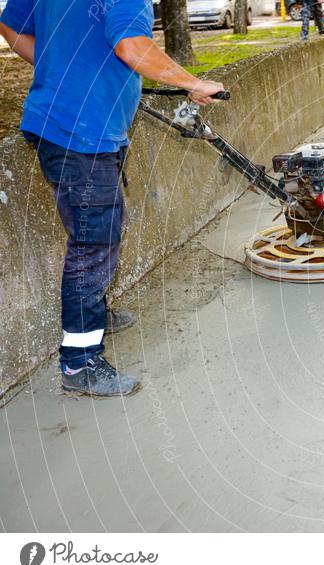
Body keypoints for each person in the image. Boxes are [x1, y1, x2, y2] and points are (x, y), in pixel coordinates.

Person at [0, 0, 224, 398]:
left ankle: (93, 314)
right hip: (80, 136)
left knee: (99, 232)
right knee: (94, 243)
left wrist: (64, 69)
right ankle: (80, 361)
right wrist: (193, 82)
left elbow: (12, 29)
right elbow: (133, 48)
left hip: (63, 124)